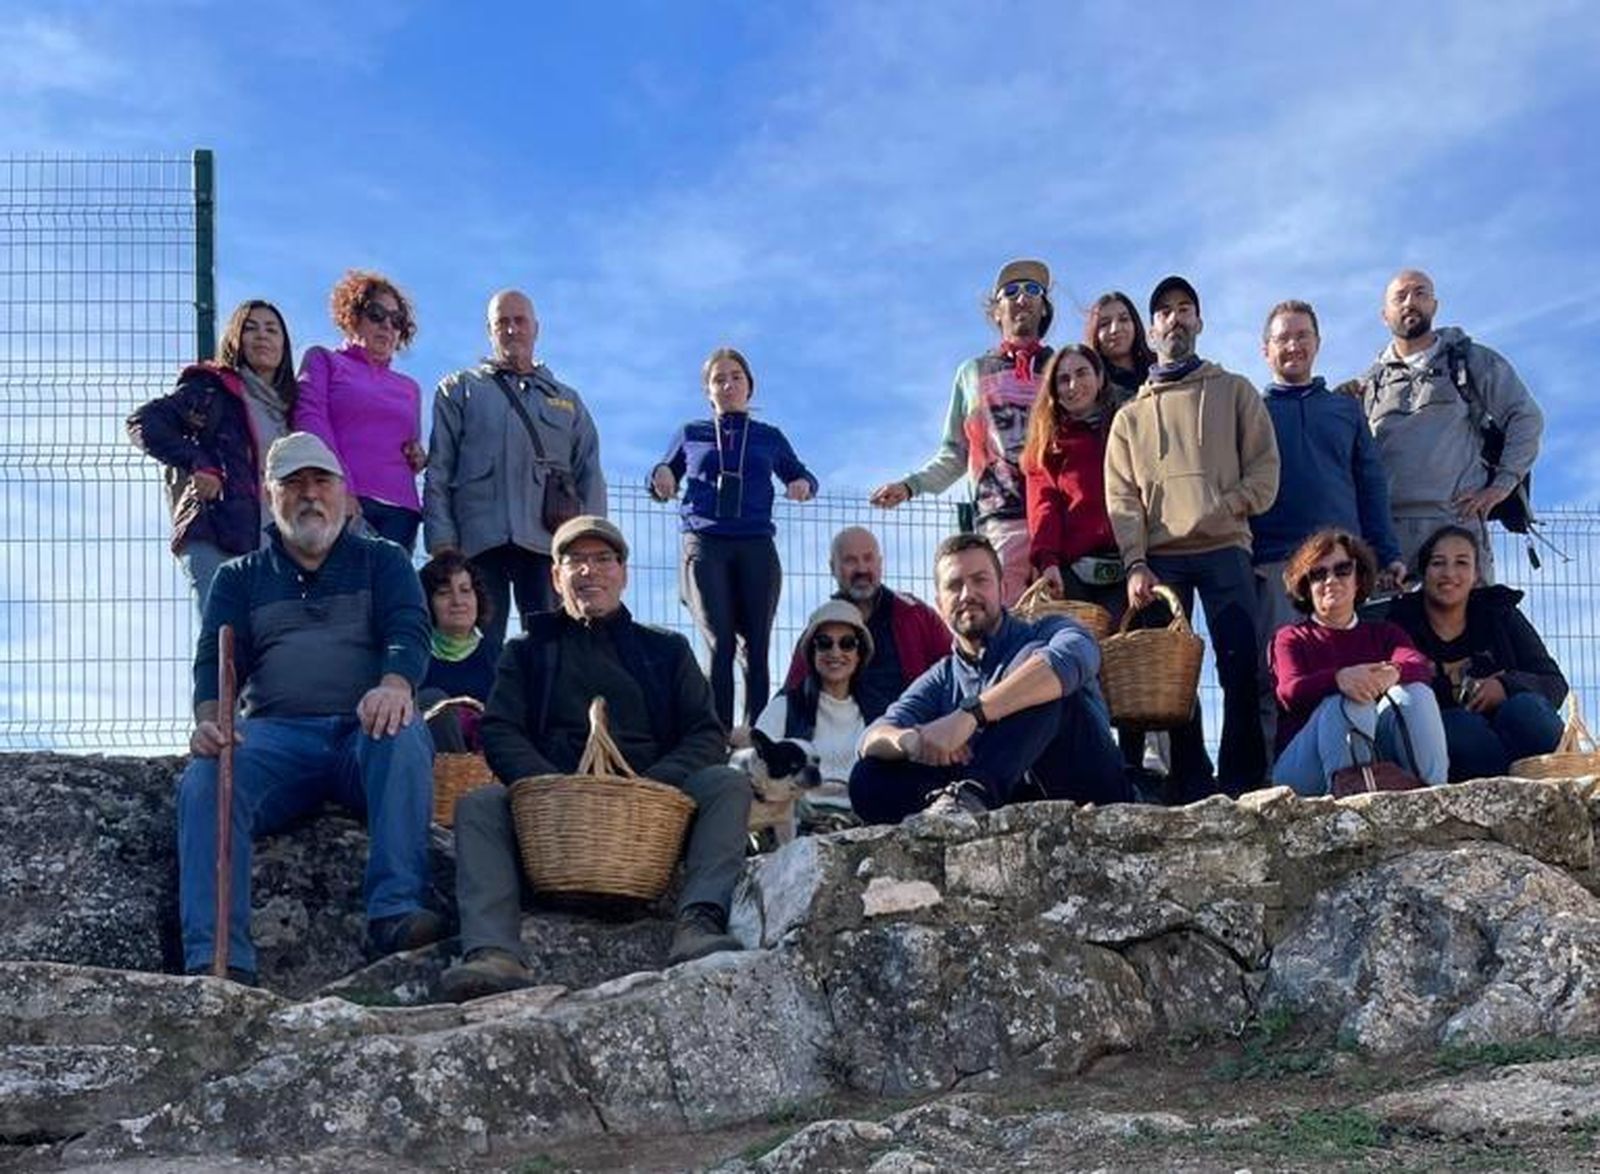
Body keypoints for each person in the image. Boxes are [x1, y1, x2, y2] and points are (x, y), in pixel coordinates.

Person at [439, 516, 751, 1002]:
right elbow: (500, 729)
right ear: (555, 576)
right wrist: (553, 789)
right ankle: (492, 950)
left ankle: (698, 922)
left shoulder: (667, 649)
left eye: (603, 559)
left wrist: (652, 786)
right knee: (480, 806)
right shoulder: (527, 650)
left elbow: (704, 732)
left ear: (624, 573)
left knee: (726, 785)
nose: (590, 571)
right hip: (551, 818)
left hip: (652, 818)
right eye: (575, 560)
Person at [176, 432, 440, 985]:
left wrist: (394, 684)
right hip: (276, 737)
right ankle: (217, 958)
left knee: (406, 733)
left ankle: (394, 913)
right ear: (272, 497)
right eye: (293, 484)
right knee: (206, 778)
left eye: (321, 481)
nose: (309, 495)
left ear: (345, 494)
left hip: (360, 734)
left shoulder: (384, 560)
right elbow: (213, 662)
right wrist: (209, 720)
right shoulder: (238, 578)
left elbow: (408, 630)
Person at [1104, 275, 1280, 798]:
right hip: (1161, 559)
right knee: (1174, 683)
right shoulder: (1130, 417)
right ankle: (1191, 784)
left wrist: (1224, 507)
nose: (1175, 318)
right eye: (1163, 312)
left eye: (1185, 309)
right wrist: (1135, 561)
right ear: (1151, 329)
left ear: (1199, 321)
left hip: (1226, 547)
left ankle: (1245, 781)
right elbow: (1122, 497)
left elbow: (1266, 471)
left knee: (1239, 668)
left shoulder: (1235, 391)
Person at [848, 533, 1128, 823]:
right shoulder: (942, 677)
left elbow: (1075, 657)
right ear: (939, 603)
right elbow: (870, 738)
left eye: (980, 580)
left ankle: (972, 794)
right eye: (954, 586)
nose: (967, 594)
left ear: (1002, 588)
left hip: (1088, 788)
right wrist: (915, 741)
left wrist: (969, 715)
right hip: (1008, 797)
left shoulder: (1050, 630)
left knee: (1040, 678)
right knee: (869, 776)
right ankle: (963, 802)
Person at [1251, 299, 1405, 749]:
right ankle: (1274, 778)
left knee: (1353, 673)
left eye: (1302, 336)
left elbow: (1371, 484)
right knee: (1276, 680)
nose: (1293, 346)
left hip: (1343, 565)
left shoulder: (1345, 411)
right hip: (1273, 565)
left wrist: (1388, 552)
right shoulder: (1251, 412)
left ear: (1317, 343)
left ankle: (1359, 768)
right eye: (1283, 338)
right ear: (1266, 350)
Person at [423, 289, 607, 646]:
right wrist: (442, 539)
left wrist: (589, 542)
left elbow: (589, 473)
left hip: (546, 545)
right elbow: (439, 469)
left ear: (536, 328)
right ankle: (477, 704)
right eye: (501, 322)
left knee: (550, 642)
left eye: (519, 321)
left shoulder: (567, 400)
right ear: (489, 331)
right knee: (478, 645)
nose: (511, 330)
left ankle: (545, 704)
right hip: (476, 543)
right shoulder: (458, 390)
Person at [869, 259, 1057, 604]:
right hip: (999, 522)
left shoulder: (1063, 368)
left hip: (1059, 522)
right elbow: (955, 451)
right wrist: (911, 485)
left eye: (1033, 290)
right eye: (1010, 291)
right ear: (996, 311)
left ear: (1044, 306)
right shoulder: (973, 373)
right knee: (1003, 630)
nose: (1022, 298)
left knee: (1067, 633)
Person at [649, 347, 817, 729]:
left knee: (756, 648)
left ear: (750, 387)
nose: (728, 385)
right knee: (720, 643)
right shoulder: (691, 433)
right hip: (705, 542)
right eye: (718, 379)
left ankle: (756, 735)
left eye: (736, 377)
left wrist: (801, 484)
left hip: (755, 543)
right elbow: (663, 472)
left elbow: (802, 475)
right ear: (708, 391)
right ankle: (718, 735)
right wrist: (661, 477)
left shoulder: (768, 437)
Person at [1353, 269, 1543, 582]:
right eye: (1399, 297)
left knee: (1469, 629)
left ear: (1435, 305)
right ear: (1384, 315)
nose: (1410, 302)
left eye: (1420, 293)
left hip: (1456, 525)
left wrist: (1501, 485)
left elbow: (1525, 417)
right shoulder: (1368, 384)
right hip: (1389, 538)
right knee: (1390, 630)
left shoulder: (1470, 361)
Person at [127, 299, 298, 612]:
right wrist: (200, 463)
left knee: (270, 652)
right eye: (251, 328)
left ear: (284, 345)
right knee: (222, 642)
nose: (262, 336)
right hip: (217, 529)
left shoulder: (292, 410)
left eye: (272, 330)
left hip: (276, 546)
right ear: (235, 338)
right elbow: (145, 422)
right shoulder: (210, 389)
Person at [1270, 529, 1447, 795]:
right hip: (1304, 768)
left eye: (1342, 569)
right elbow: (1290, 692)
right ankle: (1353, 798)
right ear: (1307, 586)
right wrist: (1340, 679)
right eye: (1318, 574)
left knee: (1415, 692)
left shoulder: (1385, 633)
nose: (1331, 580)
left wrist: (1392, 673)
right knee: (1347, 701)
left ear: (1358, 578)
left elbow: (1417, 664)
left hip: (1374, 755)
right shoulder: (1290, 638)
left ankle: (1432, 794)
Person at [1383, 525, 1566, 781]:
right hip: (1448, 744)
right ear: (1423, 572)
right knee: (1460, 728)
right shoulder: (1400, 622)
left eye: (1461, 563)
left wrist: (1505, 686)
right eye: (1438, 563)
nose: (1449, 573)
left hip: (1514, 734)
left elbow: (1554, 683)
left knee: (1526, 710)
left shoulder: (1500, 614)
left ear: (1476, 575)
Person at [294, 269, 427, 552]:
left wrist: (417, 454)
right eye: (376, 314)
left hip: (402, 511)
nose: (387, 326)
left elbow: (409, 444)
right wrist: (341, 487)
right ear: (352, 317)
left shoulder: (410, 388)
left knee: (390, 595)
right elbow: (310, 421)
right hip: (342, 503)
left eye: (397, 320)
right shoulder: (323, 360)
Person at [780, 527, 949, 722]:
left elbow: (954, 672)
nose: (861, 569)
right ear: (832, 568)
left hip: (912, 735)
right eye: (850, 561)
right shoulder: (820, 631)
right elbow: (792, 692)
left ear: (880, 564)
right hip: (840, 743)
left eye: (868, 558)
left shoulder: (915, 615)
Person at [1020, 344, 1124, 611]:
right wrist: (1048, 562)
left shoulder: (1126, 427)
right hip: (1075, 573)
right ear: (1054, 390)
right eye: (1063, 379)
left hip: (1129, 563)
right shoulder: (1047, 444)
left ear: (1099, 378)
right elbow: (1044, 506)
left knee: (1128, 650)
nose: (1073, 384)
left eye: (1082, 373)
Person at [756, 600, 874, 822]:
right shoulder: (785, 708)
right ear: (812, 653)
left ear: (860, 654)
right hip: (797, 820)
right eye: (824, 643)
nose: (836, 652)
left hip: (862, 821)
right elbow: (757, 764)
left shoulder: (877, 713)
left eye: (847, 643)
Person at [417, 550, 500, 753]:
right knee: (431, 700)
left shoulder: (501, 658)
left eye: (465, 590)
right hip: (426, 764)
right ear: (427, 601)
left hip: (488, 770)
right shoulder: (412, 656)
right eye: (444, 593)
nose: (457, 601)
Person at [1085, 291, 1156, 403]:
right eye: (1105, 324)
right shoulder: (1094, 386)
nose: (1115, 329)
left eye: (1123, 319)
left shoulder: (1158, 367)